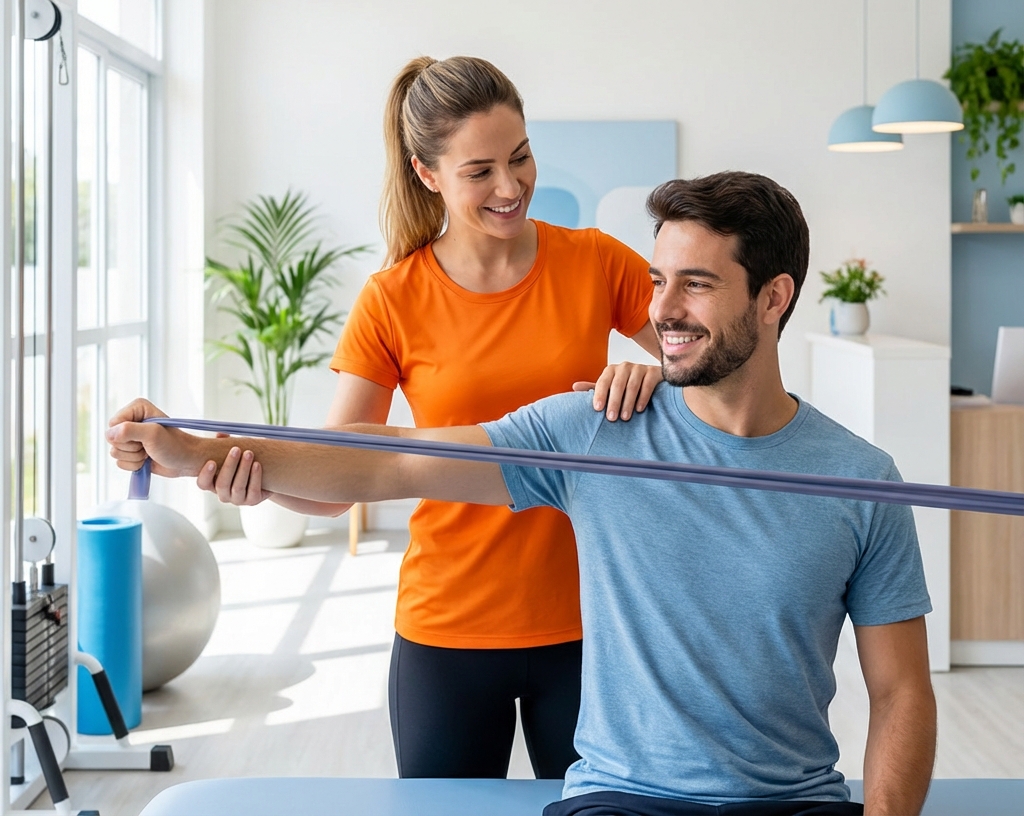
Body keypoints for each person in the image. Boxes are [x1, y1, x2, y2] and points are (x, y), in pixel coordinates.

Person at [109, 171, 937, 816]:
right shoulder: (599, 433)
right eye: (658, 281)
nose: (663, 310)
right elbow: (394, 461)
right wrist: (203, 452)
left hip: (790, 802)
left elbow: (901, 691)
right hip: (624, 799)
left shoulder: (860, 480)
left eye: (697, 285)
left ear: (774, 296)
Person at [207, 55, 663, 780]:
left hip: (593, 625)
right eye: (479, 170)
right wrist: (247, 476)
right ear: (428, 174)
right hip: (447, 631)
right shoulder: (392, 298)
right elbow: (339, 479)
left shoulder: (599, 263)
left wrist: (654, 377)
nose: (510, 187)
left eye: (520, 158)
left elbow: (718, 384)